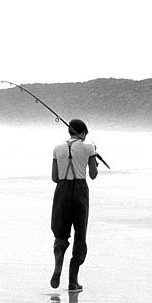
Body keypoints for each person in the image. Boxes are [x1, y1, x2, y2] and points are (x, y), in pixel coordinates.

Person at [50, 119, 99, 292]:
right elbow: (93, 175)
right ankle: (73, 281)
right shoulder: (88, 147)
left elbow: (55, 177)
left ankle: (58, 266)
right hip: (79, 191)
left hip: (62, 191)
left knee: (61, 234)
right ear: (82, 132)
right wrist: (94, 161)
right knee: (80, 235)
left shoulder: (57, 148)